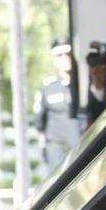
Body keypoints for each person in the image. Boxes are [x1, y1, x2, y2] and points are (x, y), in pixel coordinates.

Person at [33, 36, 82, 173]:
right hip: (56, 150)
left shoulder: (82, 83)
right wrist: (43, 146)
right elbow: (39, 122)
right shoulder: (48, 87)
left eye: (68, 53)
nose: (65, 58)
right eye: (59, 55)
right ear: (54, 59)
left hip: (80, 147)